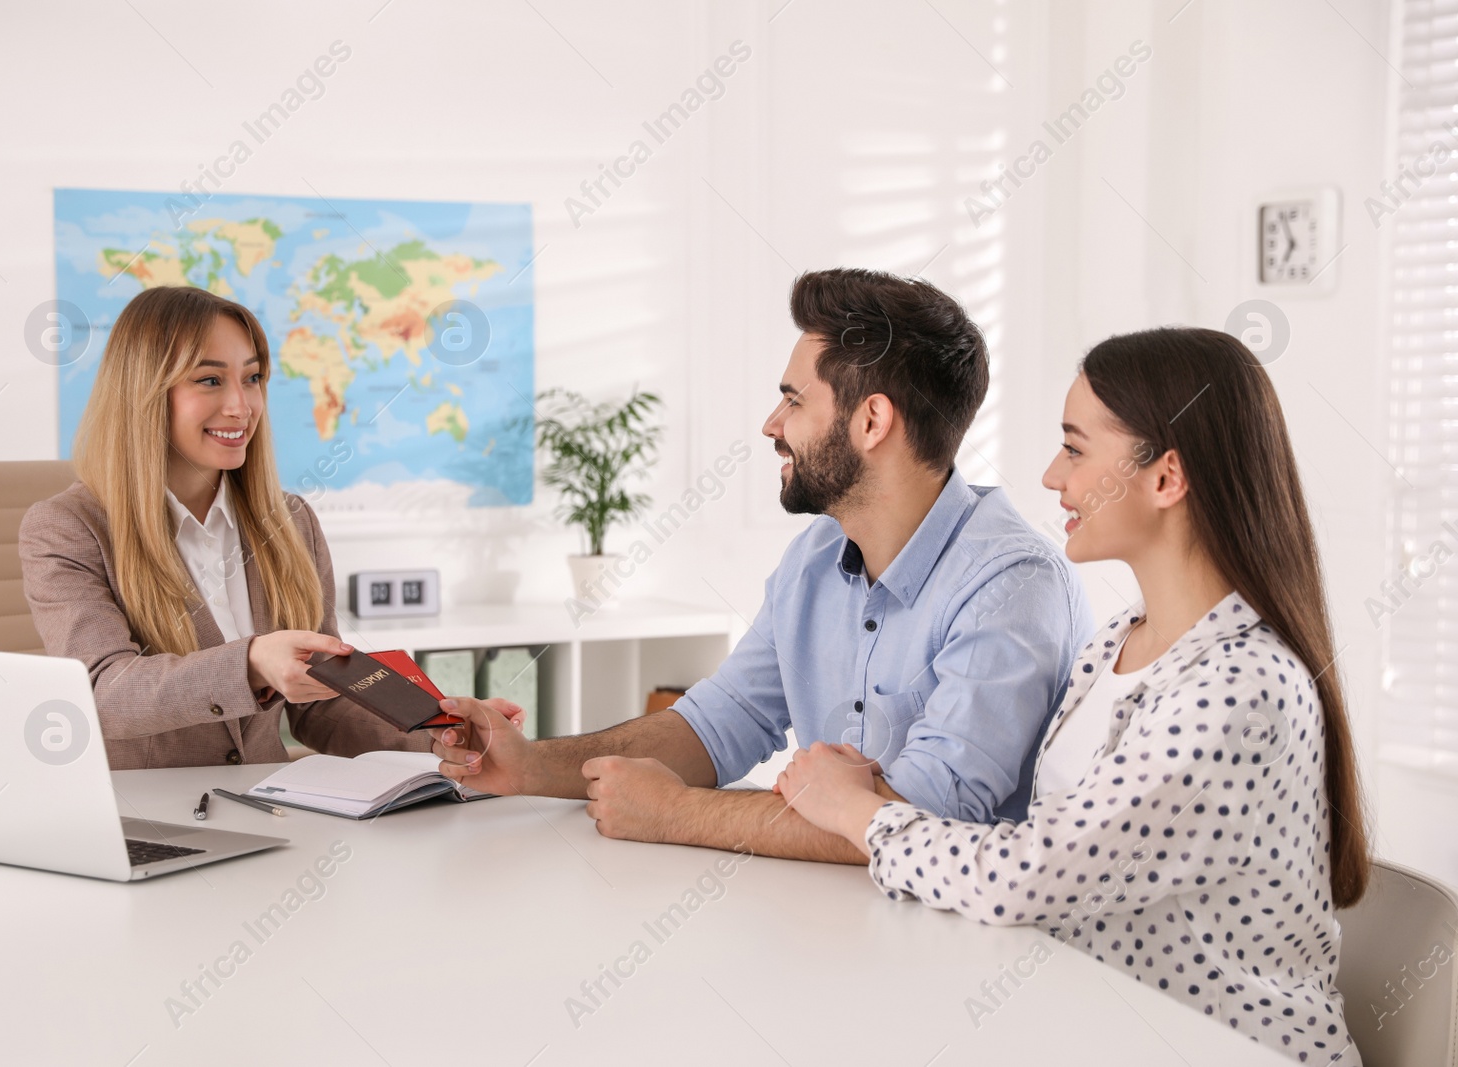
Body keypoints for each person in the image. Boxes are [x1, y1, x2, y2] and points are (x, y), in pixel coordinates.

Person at [774, 327, 1370, 1065]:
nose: (1054, 476)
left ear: (1165, 478)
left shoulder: (1239, 692)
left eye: (1076, 449)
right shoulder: (1117, 641)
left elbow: (1026, 873)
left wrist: (856, 809)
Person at [432, 267, 1092, 862]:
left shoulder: (1011, 584)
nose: (772, 423)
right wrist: (527, 764)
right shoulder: (814, 561)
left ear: (871, 422)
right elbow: (718, 724)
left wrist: (675, 812)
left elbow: (923, 818)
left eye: (795, 400)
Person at [19, 286, 511, 768]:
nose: (241, 406)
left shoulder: (291, 522)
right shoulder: (67, 528)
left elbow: (319, 703)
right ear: (143, 392)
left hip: (265, 810)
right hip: (146, 820)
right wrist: (251, 662)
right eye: (209, 380)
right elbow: (104, 692)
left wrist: (439, 738)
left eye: (252, 378)